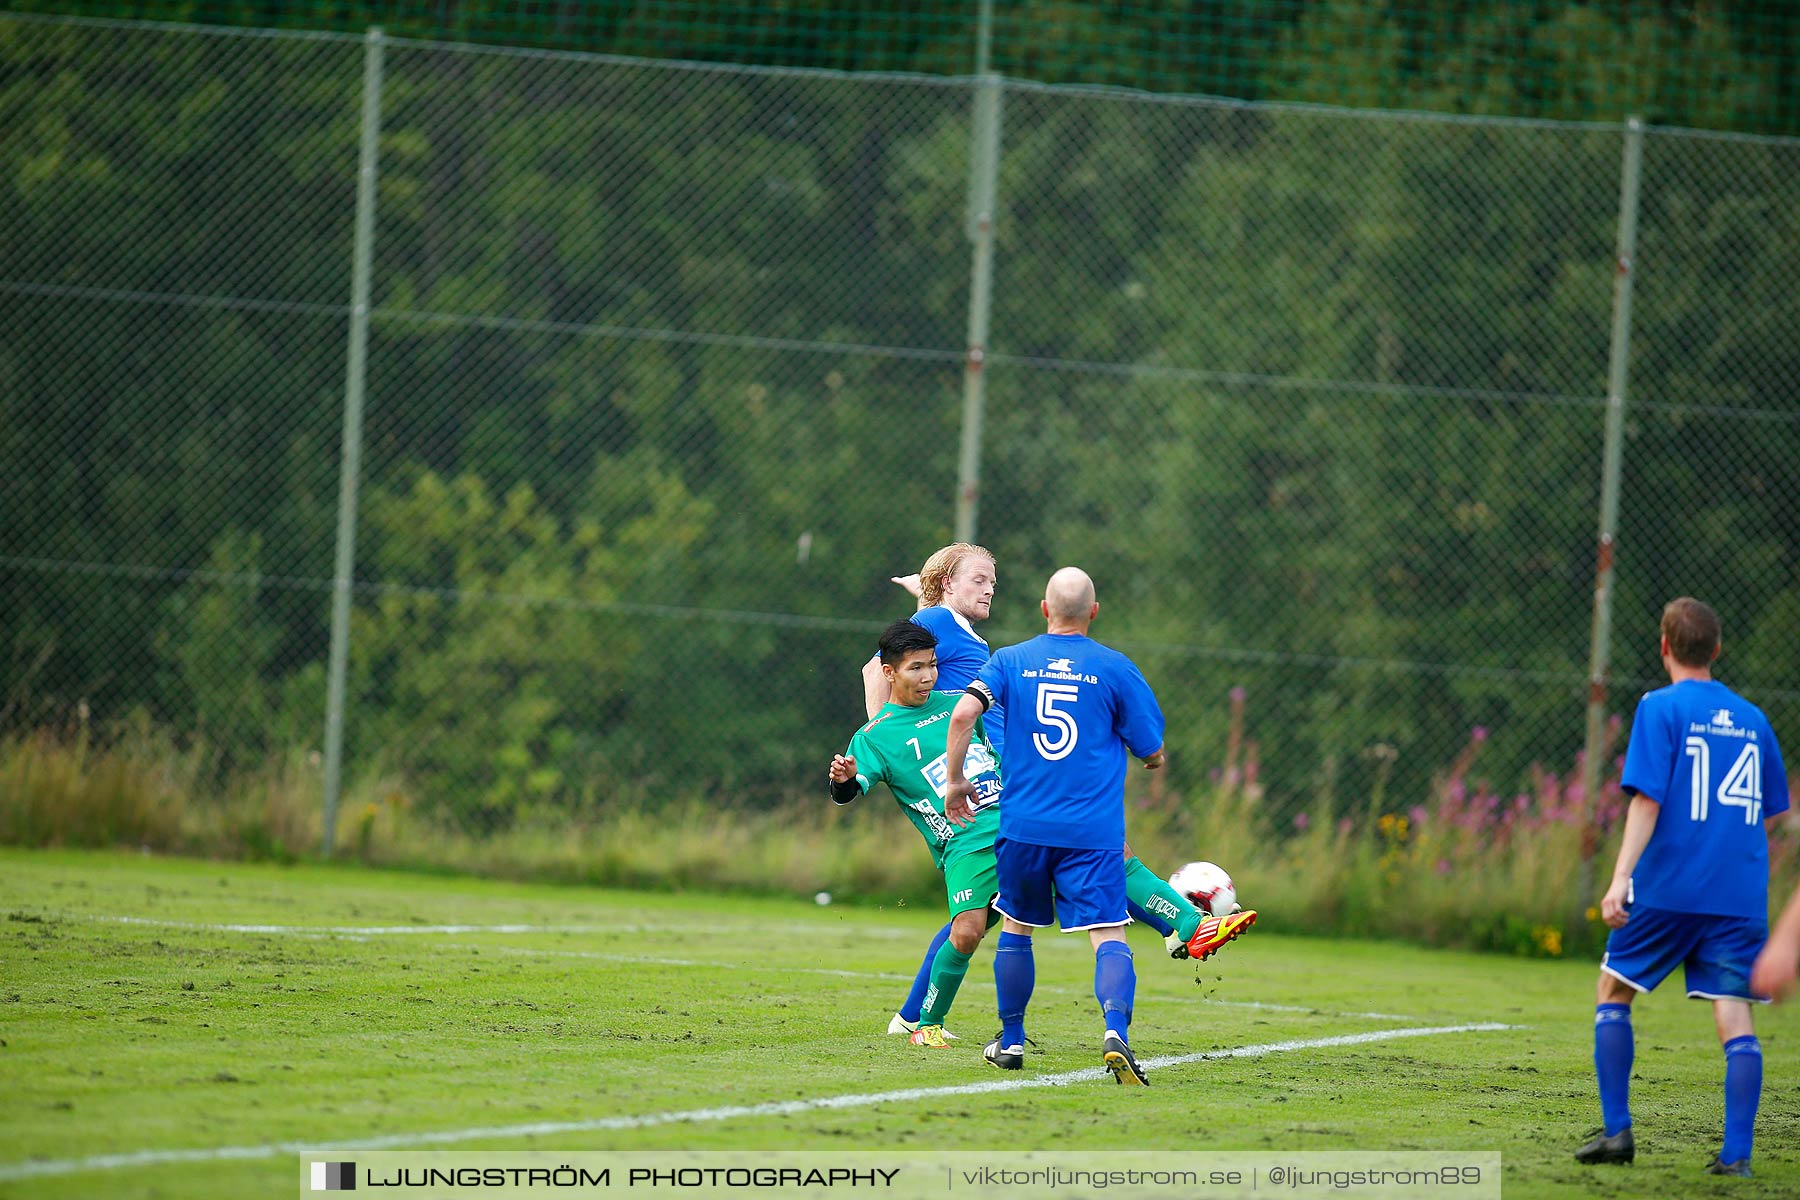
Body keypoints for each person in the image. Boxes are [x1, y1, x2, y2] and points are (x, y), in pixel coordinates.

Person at [871, 545, 1244, 1043]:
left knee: (978, 912)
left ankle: (915, 1016)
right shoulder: (941, 618)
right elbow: (879, 668)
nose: (989, 589)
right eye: (978, 579)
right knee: (1096, 847)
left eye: (993, 582)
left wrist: (925, 596)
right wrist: (885, 735)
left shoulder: (948, 626)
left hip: (1004, 771)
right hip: (1002, 777)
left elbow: (917, 645)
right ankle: (1181, 922)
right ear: (947, 584)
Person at [1576, 598, 1789, 1177]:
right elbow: (1769, 810)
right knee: (1734, 1013)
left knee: (1613, 991)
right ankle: (1736, 1158)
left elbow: (1647, 798)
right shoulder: (1754, 718)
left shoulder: (1659, 707)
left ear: (1664, 647)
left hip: (1669, 888)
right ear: (1716, 650)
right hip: (1737, 896)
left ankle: (1618, 1132)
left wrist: (1621, 877)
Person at [830, 620, 1005, 1048]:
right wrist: (843, 780)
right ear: (889, 673)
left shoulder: (957, 706)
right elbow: (849, 792)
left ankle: (1184, 921)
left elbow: (990, 759)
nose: (927, 677)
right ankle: (923, 1023)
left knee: (1091, 871)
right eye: (915, 668)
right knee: (966, 932)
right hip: (962, 842)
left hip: (1013, 824)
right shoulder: (874, 737)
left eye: (932, 666)